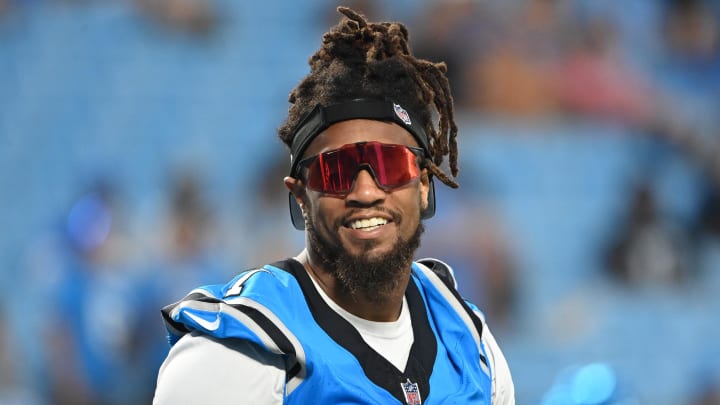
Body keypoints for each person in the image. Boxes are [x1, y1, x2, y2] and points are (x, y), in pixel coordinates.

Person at [153, 7, 514, 404]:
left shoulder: (469, 339)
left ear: (424, 184)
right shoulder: (237, 349)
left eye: (390, 164)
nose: (365, 192)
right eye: (335, 171)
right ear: (299, 196)